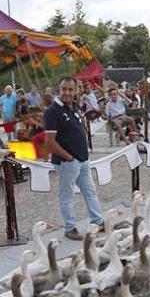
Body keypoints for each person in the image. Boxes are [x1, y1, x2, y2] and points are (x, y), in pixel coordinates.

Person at [44, 77, 104, 241]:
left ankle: (98, 221)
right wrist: (68, 157)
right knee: (67, 195)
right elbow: (49, 141)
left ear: (76, 90)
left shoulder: (75, 107)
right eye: (64, 89)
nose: (67, 93)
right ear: (59, 89)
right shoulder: (52, 112)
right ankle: (70, 227)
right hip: (67, 162)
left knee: (90, 191)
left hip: (82, 159)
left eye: (71, 89)